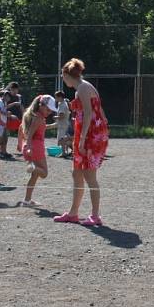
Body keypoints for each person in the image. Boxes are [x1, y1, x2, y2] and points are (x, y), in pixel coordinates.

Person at [52, 59, 110, 225]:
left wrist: (83, 140)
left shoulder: (83, 88)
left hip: (91, 136)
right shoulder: (81, 89)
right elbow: (100, 113)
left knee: (89, 175)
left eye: (63, 76)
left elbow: (90, 114)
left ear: (68, 75)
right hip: (85, 134)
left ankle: (95, 215)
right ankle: (73, 213)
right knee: (76, 173)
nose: (63, 80)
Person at [20, 95, 58, 207]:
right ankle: (33, 167)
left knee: (35, 176)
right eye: (48, 109)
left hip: (33, 146)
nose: (50, 112)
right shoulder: (38, 118)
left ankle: (27, 200)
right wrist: (29, 147)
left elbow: (39, 129)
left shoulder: (37, 117)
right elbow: (30, 134)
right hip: (35, 147)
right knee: (44, 173)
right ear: (41, 105)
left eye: (51, 110)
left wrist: (53, 126)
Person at [0, 82, 23, 159]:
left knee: (7, 135)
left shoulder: (18, 97)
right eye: (13, 90)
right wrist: (10, 115)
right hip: (7, 118)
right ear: (10, 89)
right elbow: (4, 107)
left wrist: (23, 116)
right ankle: (1, 151)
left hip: (16, 118)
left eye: (16, 90)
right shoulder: (6, 96)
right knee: (3, 136)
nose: (15, 91)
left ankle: (4, 151)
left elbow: (21, 107)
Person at [54, 90, 72, 157]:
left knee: (62, 139)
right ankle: (67, 151)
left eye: (56, 97)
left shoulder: (62, 105)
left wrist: (55, 117)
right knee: (63, 138)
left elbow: (62, 116)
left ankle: (64, 153)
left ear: (60, 97)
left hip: (63, 124)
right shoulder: (61, 103)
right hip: (63, 124)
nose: (55, 99)